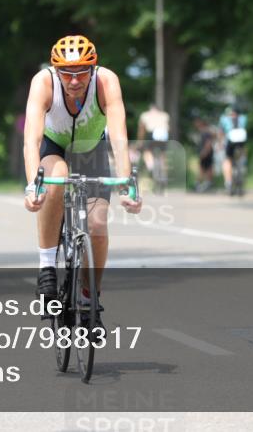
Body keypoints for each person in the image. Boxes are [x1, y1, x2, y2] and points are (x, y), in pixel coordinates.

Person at [23, 35, 142, 327]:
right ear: (56, 70)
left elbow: (119, 137)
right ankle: (47, 268)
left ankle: (90, 297)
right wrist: (32, 185)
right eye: (66, 73)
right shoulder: (43, 82)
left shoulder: (106, 82)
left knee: (98, 224)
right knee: (57, 178)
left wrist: (128, 183)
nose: (74, 80)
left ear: (93, 69)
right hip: (54, 148)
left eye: (81, 73)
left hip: (92, 150)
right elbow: (31, 139)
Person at [136, 104, 170, 190]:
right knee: (163, 155)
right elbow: (168, 128)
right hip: (163, 135)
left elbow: (142, 129)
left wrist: (140, 141)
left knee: (147, 151)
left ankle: (151, 166)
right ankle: (163, 173)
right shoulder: (165, 115)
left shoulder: (145, 115)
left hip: (152, 133)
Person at [218, 105, 248, 194]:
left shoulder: (224, 118)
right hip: (241, 141)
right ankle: (241, 170)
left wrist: (220, 143)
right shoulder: (243, 118)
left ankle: (229, 182)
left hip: (230, 141)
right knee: (241, 157)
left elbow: (221, 132)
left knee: (227, 160)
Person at [194, 118, 216, 192]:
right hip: (205, 152)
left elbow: (208, 143)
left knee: (205, 168)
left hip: (206, 153)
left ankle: (205, 184)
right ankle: (203, 183)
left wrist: (205, 152)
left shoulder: (205, 132)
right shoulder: (203, 132)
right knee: (204, 168)